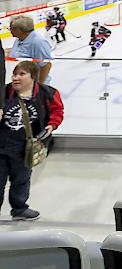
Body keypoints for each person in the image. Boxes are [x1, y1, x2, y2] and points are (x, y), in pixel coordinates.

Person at [0, 61, 64, 221]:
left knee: (21, 180)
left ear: (33, 77)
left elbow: (58, 110)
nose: (16, 78)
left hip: (25, 149)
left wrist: (52, 124)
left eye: (22, 74)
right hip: (2, 147)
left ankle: (19, 209)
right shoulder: (4, 92)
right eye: (14, 74)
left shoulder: (47, 93)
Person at [8, 16, 53, 85]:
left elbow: (46, 65)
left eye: (12, 28)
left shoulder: (38, 42)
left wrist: (38, 85)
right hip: (22, 82)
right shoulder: (20, 38)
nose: (10, 31)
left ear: (21, 30)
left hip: (33, 84)